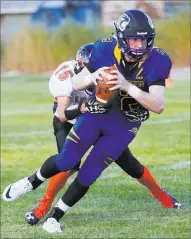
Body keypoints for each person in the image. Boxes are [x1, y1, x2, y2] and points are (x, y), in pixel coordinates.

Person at [2, 10, 181, 234]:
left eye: (143, 39)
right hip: (96, 114)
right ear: (121, 38)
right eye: (133, 39)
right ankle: (30, 182)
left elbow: (158, 105)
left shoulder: (158, 59)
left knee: (89, 173)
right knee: (67, 161)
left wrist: (127, 86)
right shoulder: (104, 48)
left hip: (124, 125)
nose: (138, 45)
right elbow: (76, 84)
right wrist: (91, 77)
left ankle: (55, 217)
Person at [22, 43, 175, 226]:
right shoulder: (65, 78)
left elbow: (131, 100)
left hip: (98, 120)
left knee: (132, 167)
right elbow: (62, 114)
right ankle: (43, 205)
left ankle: (160, 195)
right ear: (81, 66)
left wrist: (136, 105)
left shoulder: (110, 73)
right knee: (67, 164)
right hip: (69, 121)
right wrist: (84, 106)